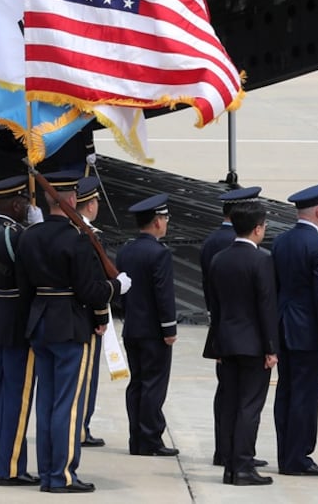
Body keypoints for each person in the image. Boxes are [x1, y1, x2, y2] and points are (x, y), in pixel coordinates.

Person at [15, 172, 130, 493]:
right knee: (68, 404)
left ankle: (48, 469)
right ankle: (61, 475)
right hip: (70, 325)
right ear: (72, 200)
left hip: (40, 323)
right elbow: (90, 290)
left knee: (48, 402)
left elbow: (25, 288)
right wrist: (116, 287)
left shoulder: (30, 236)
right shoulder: (77, 239)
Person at [0, 175, 41, 487]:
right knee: (18, 393)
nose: (29, 208)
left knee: (3, 392)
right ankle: (10, 467)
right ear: (16, 204)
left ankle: (3, 461)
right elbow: (33, 278)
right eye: (26, 203)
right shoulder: (20, 236)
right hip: (17, 317)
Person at [207, 201, 278, 486]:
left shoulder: (219, 258)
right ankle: (244, 467)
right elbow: (266, 306)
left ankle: (230, 467)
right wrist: (271, 347)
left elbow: (216, 305)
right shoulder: (261, 260)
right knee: (250, 408)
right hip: (253, 345)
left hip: (226, 343)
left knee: (231, 405)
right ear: (258, 229)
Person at [271, 184, 318, 476]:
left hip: (283, 327)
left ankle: (286, 454)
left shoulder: (281, 242)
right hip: (308, 332)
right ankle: (299, 457)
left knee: (285, 392)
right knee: (305, 396)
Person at [115, 193, 179, 457]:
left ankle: (137, 438)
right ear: (156, 222)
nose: (166, 223)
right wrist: (169, 328)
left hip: (132, 328)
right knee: (154, 385)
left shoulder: (126, 250)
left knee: (138, 383)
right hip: (154, 331)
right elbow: (163, 294)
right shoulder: (159, 254)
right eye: (164, 218)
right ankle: (151, 439)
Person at [74, 177, 106, 448]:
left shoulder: (75, 231)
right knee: (86, 376)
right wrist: (101, 316)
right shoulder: (90, 236)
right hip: (85, 317)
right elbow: (96, 280)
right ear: (91, 205)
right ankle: (81, 427)